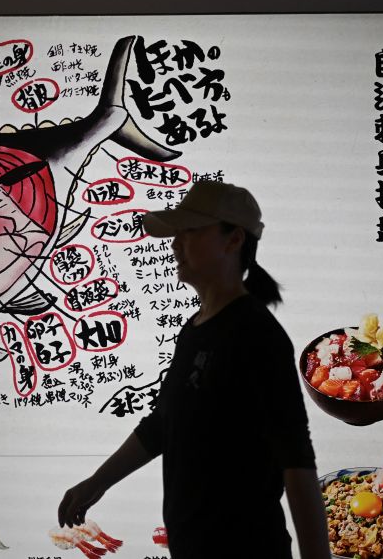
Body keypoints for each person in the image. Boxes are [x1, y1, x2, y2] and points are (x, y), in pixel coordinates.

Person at [58, 181, 330, 559]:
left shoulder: (257, 335)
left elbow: (296, 460)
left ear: (233, 240)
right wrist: (96, 483)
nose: (175, 244)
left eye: (190, 231)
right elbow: (162, 426)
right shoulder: (195, 329)